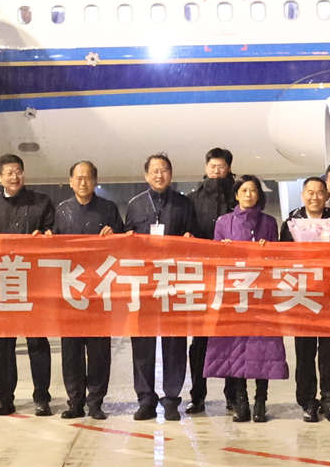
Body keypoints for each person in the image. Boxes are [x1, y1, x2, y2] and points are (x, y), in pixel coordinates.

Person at [0, 154, 58, 417]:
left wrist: (45, 236)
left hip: (33, 284)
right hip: (2, 283)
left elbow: (53, 234)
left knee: (37, 343)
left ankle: (42, 398)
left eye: (18, 171)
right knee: (4, 345)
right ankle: (5, 398)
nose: (14, 176)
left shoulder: (42, 203)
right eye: (8, 172)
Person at [125, 152, 197, 421]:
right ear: (146, 175)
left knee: (174, 344)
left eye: (164, 170)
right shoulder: (134, 205)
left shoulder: (183, 204)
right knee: (142, 344)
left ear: (171, 174)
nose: (159, 175)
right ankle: (145, 399)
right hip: (143, 286)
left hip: (174, 285)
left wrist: (190, 239)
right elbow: (125, 245)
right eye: (154, 170)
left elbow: (194, 240)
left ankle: (171, 399)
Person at [207, 174, 285, 422]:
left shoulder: (270, 222)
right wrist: (224, 250)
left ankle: (261, 400)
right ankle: (240, 400)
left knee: (264, 349)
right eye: (244, 190)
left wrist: (268, 250)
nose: (249, 194)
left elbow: (279, 260)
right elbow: (214, 259)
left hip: (262, 297)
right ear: (236, 194)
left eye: (253, 190)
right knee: (235, 348)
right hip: (235, 298)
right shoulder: (223, 222)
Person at [53, 161, 120, 419]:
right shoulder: (62, 211)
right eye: (78, 178)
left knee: (99, 351)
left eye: (88, 178)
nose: (83, 182)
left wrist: (114, 234)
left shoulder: (109, 210)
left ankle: (96, 402)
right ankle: (75, 402)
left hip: (99, 292)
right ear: (70, 181)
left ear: (95, 181)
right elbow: (51, 248)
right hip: (70, 292)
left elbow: (126, 245)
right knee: (71, 352)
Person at [281, 176, 330, 422]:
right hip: (303, 296)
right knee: (305, 353)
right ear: (302, 195)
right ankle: (307, 401)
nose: (315, 197)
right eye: (310, 192)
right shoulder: (291, 222)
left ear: (326, 195)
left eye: (320, 192)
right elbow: (282, 259)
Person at [184, 148, 239, 412]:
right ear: (206, 168)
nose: (216, 171)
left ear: (229, 168)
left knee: (231, 339)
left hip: (233, 277)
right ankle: (198, 395)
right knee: (200, 341)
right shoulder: (193, 199)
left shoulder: (240, 196)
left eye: (221, 166)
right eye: (212, 166)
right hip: (203, 278)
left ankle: (233, 395)